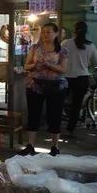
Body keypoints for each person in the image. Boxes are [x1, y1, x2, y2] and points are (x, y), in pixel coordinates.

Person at [19, 23, 68, 156]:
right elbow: (27, 66)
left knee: (55, 116)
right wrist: (35, 64)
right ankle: (30, 145)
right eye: (44, 32)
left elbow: (63, 69)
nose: (46, 35)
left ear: (56, 34)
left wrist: (49, 65)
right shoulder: (35, 48)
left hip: (56, 87)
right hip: (35, 85)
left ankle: (55, 146)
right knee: (34, 114)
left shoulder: (62, 51)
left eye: (49, 32)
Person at [62, 22, 97, 137]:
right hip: (82, 78)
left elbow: (58, 58)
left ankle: (53, 125)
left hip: (66, 78)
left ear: (74, 31)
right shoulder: (91, 46)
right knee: (76, 105)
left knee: (58, 101)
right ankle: (70, 129)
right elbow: (96, 63)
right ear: (86, 32)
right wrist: (86, 63)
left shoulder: (65, 43)